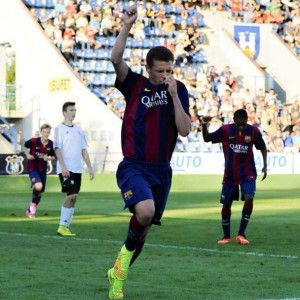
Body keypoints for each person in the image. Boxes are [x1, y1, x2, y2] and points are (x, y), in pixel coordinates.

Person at [106, 3, 191, 300]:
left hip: (161, 170)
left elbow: (185, 129)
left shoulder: (178, 89)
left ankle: (118, 273)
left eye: (169, 70)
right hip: (134, 165)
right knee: (145, 211)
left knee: (143, 230)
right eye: (160, 71)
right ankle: (119, 273)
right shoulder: (134, 84)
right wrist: (127, 25)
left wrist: (174, 98)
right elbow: (115, 58)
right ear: (148, 68)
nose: (165, 75)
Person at [202, 109, 267, 245]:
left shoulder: (254, 131)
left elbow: (262, 147)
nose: (242, 125)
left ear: (247, 120)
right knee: (226, 204)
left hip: (247, 173)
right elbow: (207, 138)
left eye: (244, 123)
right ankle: (226, 236)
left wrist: (265, 165)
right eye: (239, 123)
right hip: (230, 174)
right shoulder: (225, 130)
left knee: (249, 198)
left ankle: (241, 234)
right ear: (234, 119)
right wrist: (203, 125)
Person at [54, 101, 94, 237]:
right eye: (71, 110)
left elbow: (84, 150)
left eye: (75, 110)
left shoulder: (78, 130)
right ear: (64, 112)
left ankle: (65, 226)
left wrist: (90, 167)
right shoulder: (59, 129)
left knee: (74, 198)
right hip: (66, 169)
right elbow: (57, 149)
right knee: (72, 195)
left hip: (77, 169)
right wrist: (63, 166)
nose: (73, 112)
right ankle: (62, 226)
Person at [24, 124, 56, 218]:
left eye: (48, 132)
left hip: (42, 169)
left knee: (40, 193)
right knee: (38, 185)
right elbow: (25, 146)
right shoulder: (34, 141)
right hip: (32, 167)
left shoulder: (51, 144)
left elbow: (54, 156)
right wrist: (28, 155)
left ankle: (30, 209)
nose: (46, 134)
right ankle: (32, 212)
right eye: (44, 132)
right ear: (41, 132)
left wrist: (48, 158)